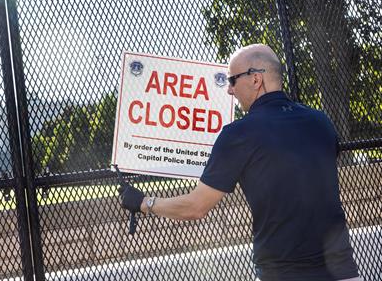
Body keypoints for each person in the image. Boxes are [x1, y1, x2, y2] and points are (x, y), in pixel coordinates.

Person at [118, 44, 362, 281]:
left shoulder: (239, 134)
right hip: (344, 271)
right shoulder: (321, 122)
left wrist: (143, 203)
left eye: (232, 80)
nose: (229, 90)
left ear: (256, 79)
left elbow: (196, 207)